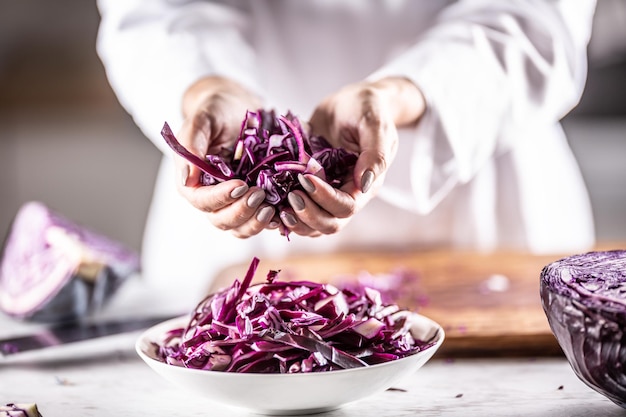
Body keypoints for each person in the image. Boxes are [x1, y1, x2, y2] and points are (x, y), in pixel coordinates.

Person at [96, 0, 596, 311]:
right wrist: (207, 84)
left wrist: (401, 94)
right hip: (227, 229)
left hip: (484, 189)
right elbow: (151, 12)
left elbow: (541, 15)